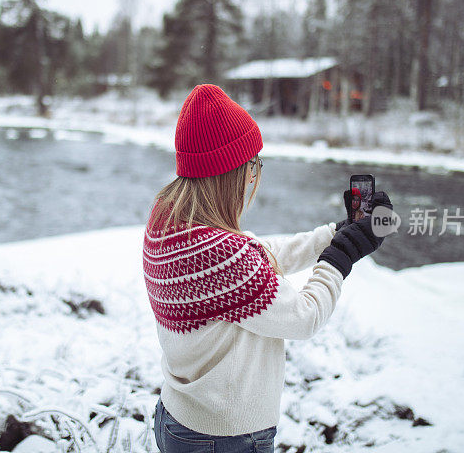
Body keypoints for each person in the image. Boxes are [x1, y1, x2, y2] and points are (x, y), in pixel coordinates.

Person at [143, 84, 392, 452]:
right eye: (253, 164)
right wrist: (340, 258)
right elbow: (304, 316)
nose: (255, 174)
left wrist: (335, 234)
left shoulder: (169, 223)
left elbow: (256, 256)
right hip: (223, 437)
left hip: (179, 420)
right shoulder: (224, 256)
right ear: (230, 171)